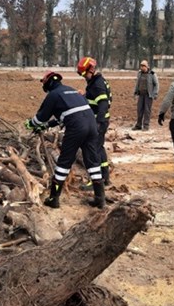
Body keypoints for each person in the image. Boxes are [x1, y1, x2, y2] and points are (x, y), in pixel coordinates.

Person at [25, 71, 105, 209]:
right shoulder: (71, 91)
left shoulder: (53, 95)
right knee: (92, 161)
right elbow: (65, 114)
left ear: (48, 82)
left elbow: (40, 118)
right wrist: (47, 125)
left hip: (76, 128)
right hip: (91, 125)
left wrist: (30, 124)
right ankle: (100, 198)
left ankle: (53, 199)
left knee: (64, 162)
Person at [76, 56, 113, 188]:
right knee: (99, 148)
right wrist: (84, 95)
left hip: (99, 122)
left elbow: (103, 104)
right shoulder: (97, 82)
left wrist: (97, 123)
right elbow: (96, 98)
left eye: (84, 73)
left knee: (93, 151)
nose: (83, 76)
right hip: (102, 121)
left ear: (90, 70)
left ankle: (96, 182)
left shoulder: (97, 84)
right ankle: (105, 177)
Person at [132, 60, 159, 131]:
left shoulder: (152, 74)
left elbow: (156, 84)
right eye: (141, 66)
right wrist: (135, 92)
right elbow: (137, 83)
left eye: (143, 66)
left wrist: (155, 93)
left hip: (148, 95)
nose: (142, 67)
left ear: (147, 66)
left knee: (147, 110)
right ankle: (138, 125)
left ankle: (146, 125)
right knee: (139, 110)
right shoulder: (139, 73)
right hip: (141, 94)